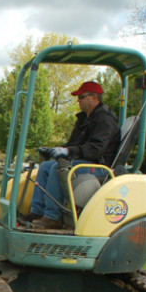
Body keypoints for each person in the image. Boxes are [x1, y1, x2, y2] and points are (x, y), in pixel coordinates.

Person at [25, 81, 121, 230]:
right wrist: (55, 149)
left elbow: (96, 149)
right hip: (82, 162)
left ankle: (52, 217)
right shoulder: (84, 119)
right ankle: (37, 213)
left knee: (59, 168)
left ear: (94, 97)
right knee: (45, 167)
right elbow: (73, 144)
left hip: (97, 166)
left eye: (81, 96)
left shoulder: (105, 120)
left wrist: (68, 152)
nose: (78, 100)